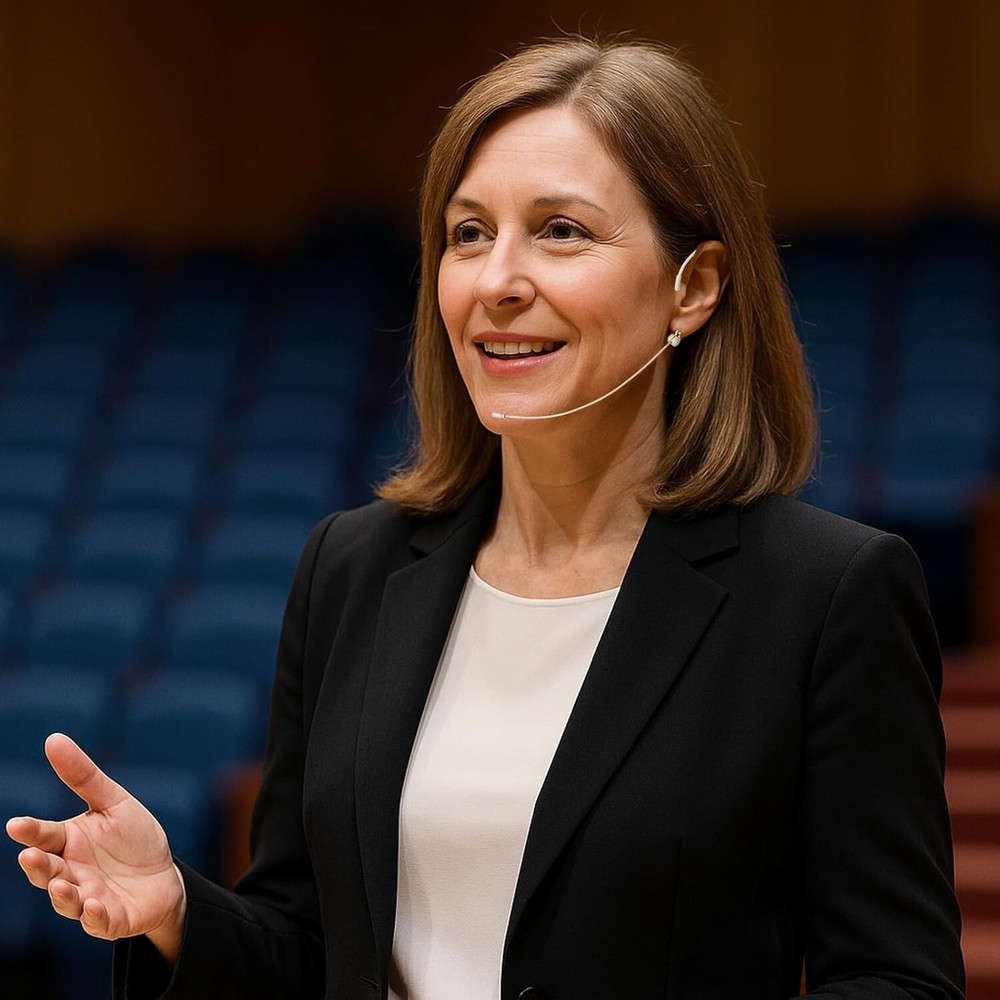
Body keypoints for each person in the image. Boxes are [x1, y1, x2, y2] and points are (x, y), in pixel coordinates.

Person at [7, 35, 964, 1000]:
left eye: (561, 231)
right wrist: (177, 913)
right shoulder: (350, 569)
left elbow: (897, 980)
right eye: (468, 234)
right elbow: (308, 947)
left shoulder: (825, 596)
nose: (497, 280)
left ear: (696, 286)